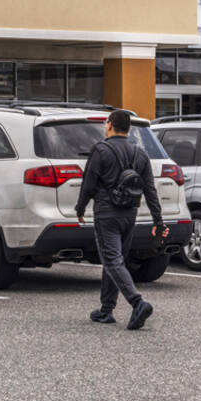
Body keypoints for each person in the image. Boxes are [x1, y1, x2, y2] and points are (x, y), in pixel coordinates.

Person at [77, 109, 167, 330]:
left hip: (106, 214)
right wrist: (158, 222)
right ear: (128, 128)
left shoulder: (101, 150)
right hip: (130, 215)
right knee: (116, 261)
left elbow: (88, 183)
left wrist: (80, 207)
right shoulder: (140, 153)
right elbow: (150, 190)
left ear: (109, 125)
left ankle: (138, 303)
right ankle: (106, 310)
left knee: (112, 260)